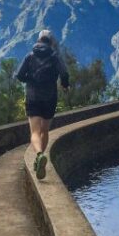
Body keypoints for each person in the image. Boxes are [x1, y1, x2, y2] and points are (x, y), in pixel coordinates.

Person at [15, 30, 70, 179]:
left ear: (39, 40)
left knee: (34, 132)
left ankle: (39, 155)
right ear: (51, 42)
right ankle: (40, 157)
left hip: (32, 97)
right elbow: (64, 74)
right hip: (50, 97)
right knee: (44, 130)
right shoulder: (55, 57)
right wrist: (65, 85)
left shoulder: (30, 56)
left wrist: (30, 79)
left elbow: (19, 75)